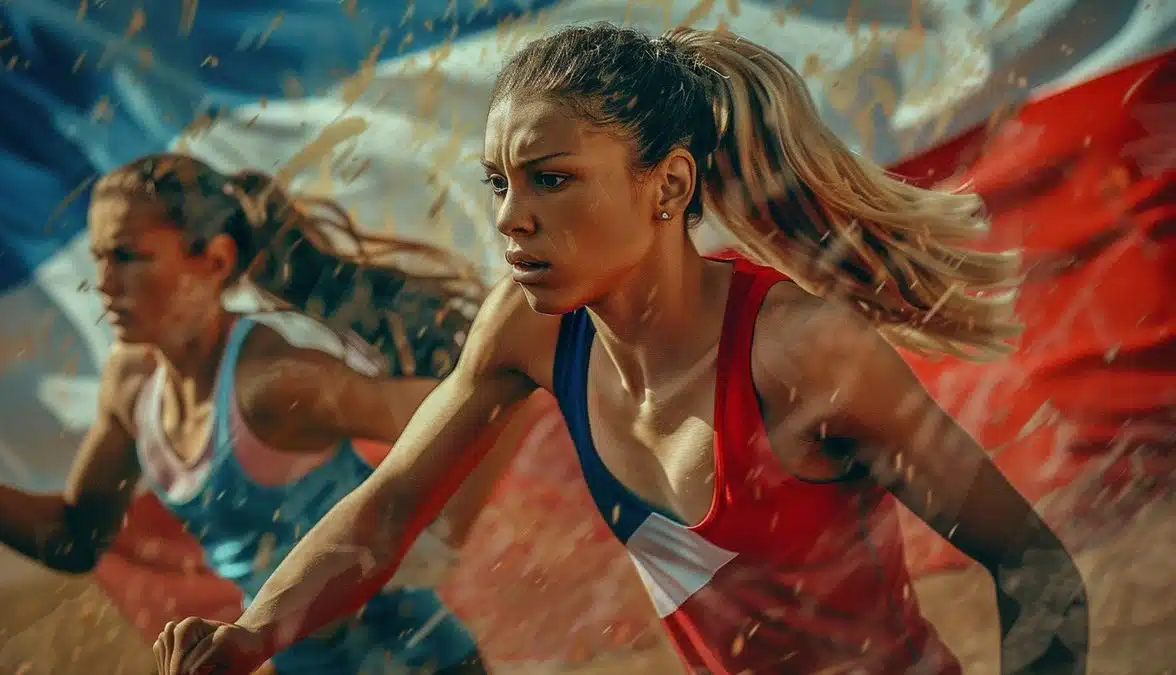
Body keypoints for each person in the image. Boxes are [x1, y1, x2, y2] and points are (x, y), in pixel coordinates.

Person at [153, 24, 1090, 675]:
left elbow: (1037, 569)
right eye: (499, 183)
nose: (512, 220)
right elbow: (389, 505)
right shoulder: (530, 329)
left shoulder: (805, 355)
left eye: (552, 180)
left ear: (668, 184)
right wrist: (254, 632)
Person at [0, 152, 547, 674]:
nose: (101, 284)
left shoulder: (273, 381)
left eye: (128, 257)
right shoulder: (132, 383)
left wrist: (434, 544)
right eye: (99, 257)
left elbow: (493, 397)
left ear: (216, 259)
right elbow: (75, 539)